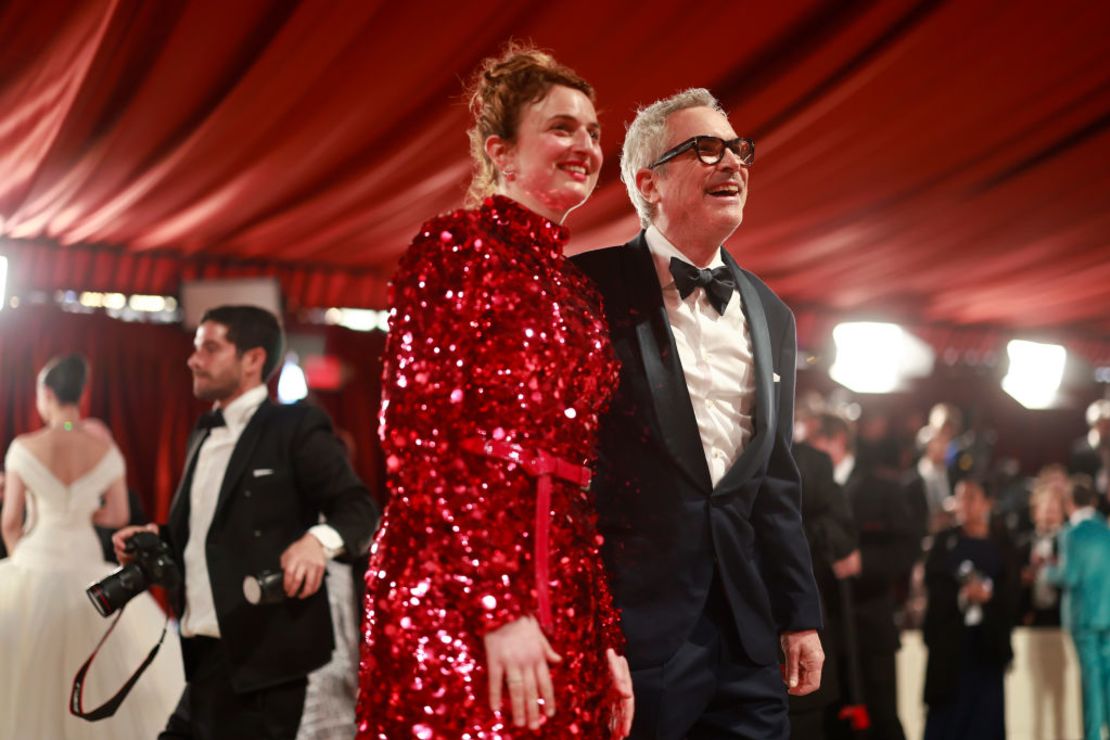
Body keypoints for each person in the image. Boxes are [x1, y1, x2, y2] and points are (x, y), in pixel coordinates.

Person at [354, 45, 634, 739]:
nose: (586, 145)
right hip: (457, 586)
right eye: (562, 127)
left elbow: (578, 481)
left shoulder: (578, 294)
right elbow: (416, 443)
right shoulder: (452, 248)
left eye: (593, 132)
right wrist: (495, 607)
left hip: (563, 584)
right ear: (501, 153)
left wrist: (606, 635)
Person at [573, 87, 823, 739]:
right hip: (632, 631)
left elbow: (775, 480)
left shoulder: (773, 313)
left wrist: (800, 614)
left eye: (739, 150)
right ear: (647, 182)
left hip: (748, 632)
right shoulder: (581, 291)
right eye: (705, 149)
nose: (734, 163)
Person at [112, 305, 377, 740]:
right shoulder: (203, 431)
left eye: (210, 349)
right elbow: (204, 534)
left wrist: (317, 542)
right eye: (197, 348)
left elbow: (359, 508)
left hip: (264, 666)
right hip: (202, 656)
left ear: (253, 359)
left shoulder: (296, 426)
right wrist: (157, 536)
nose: (193, 360)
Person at [0, 354, 184, 738]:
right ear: (80, 395)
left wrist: (23, 556)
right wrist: (82, 512)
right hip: (85, 559)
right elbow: (117, 515)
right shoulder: (106, 452)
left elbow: (10, 522)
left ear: (46, 393)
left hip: (36, 556)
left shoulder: (24, 448)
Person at [809, 413, 919, 740]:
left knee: (880, 720)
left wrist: (862, 563)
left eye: (810, 445)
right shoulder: (806, 493)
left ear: (835, 443)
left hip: (870, 630)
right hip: (827, 632)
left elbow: (908, 546)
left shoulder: (880, 488)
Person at [922, 479, 1018, 740]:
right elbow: (933, 587)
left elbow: (1012, 593)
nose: (964, 504)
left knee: (986, 721)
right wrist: (962, 596)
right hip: (950, 650)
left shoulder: (1003, 545)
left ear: (987, 503)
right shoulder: (943, 542)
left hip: (988, 649)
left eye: (972, 497)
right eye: (960, 497)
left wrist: (989, 596)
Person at [1044, 474, 1110, 740]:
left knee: (1091, 682)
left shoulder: (1070, 534)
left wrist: (1046, 571)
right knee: (1107, 679)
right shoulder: (1106, 531)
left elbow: (1069, 576)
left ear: (1069, 503)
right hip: (1107, 616)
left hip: (1083, 619)